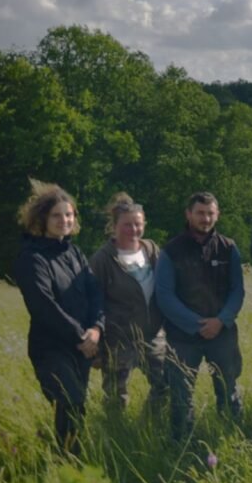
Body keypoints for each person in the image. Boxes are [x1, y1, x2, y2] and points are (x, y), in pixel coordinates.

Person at [13, 181, 103, 454]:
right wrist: (80, 336)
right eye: (57, 215)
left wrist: (97, 329)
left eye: (69, 214)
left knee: (75, 407)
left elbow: (95, 292)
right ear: (42, 218)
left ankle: (69, 463)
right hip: (51, 347)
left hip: (84, 346)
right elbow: (43, 305)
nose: (64, 220)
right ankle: (67, 462)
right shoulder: (31, 258)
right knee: (71, 400)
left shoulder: (74, 252)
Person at [156, 192, 244, 440]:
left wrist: (221, 320)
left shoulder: (229, 248)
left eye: (210, 213)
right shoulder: (171, 251)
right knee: (181, 394)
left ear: (217, 215)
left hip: (222, 334)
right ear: (189, 214)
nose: (205, 218)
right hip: (182, 336)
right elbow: (165, 296)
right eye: (200, 213)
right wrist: (196, 325)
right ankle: (181, 444)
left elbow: (238, 290)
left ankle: (231, 438)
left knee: (228, 389)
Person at [89, 193, 167, 409]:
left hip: (153, 335)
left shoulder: (152, 250)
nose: (133, 230)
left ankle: (149, 425)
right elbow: (93, 302)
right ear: (114, 226)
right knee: (115, 397)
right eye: (127, 225)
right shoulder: (102, 259)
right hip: (118, 339)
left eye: (138, 224)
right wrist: (97, 347)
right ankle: (116, 434)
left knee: (165, 385)